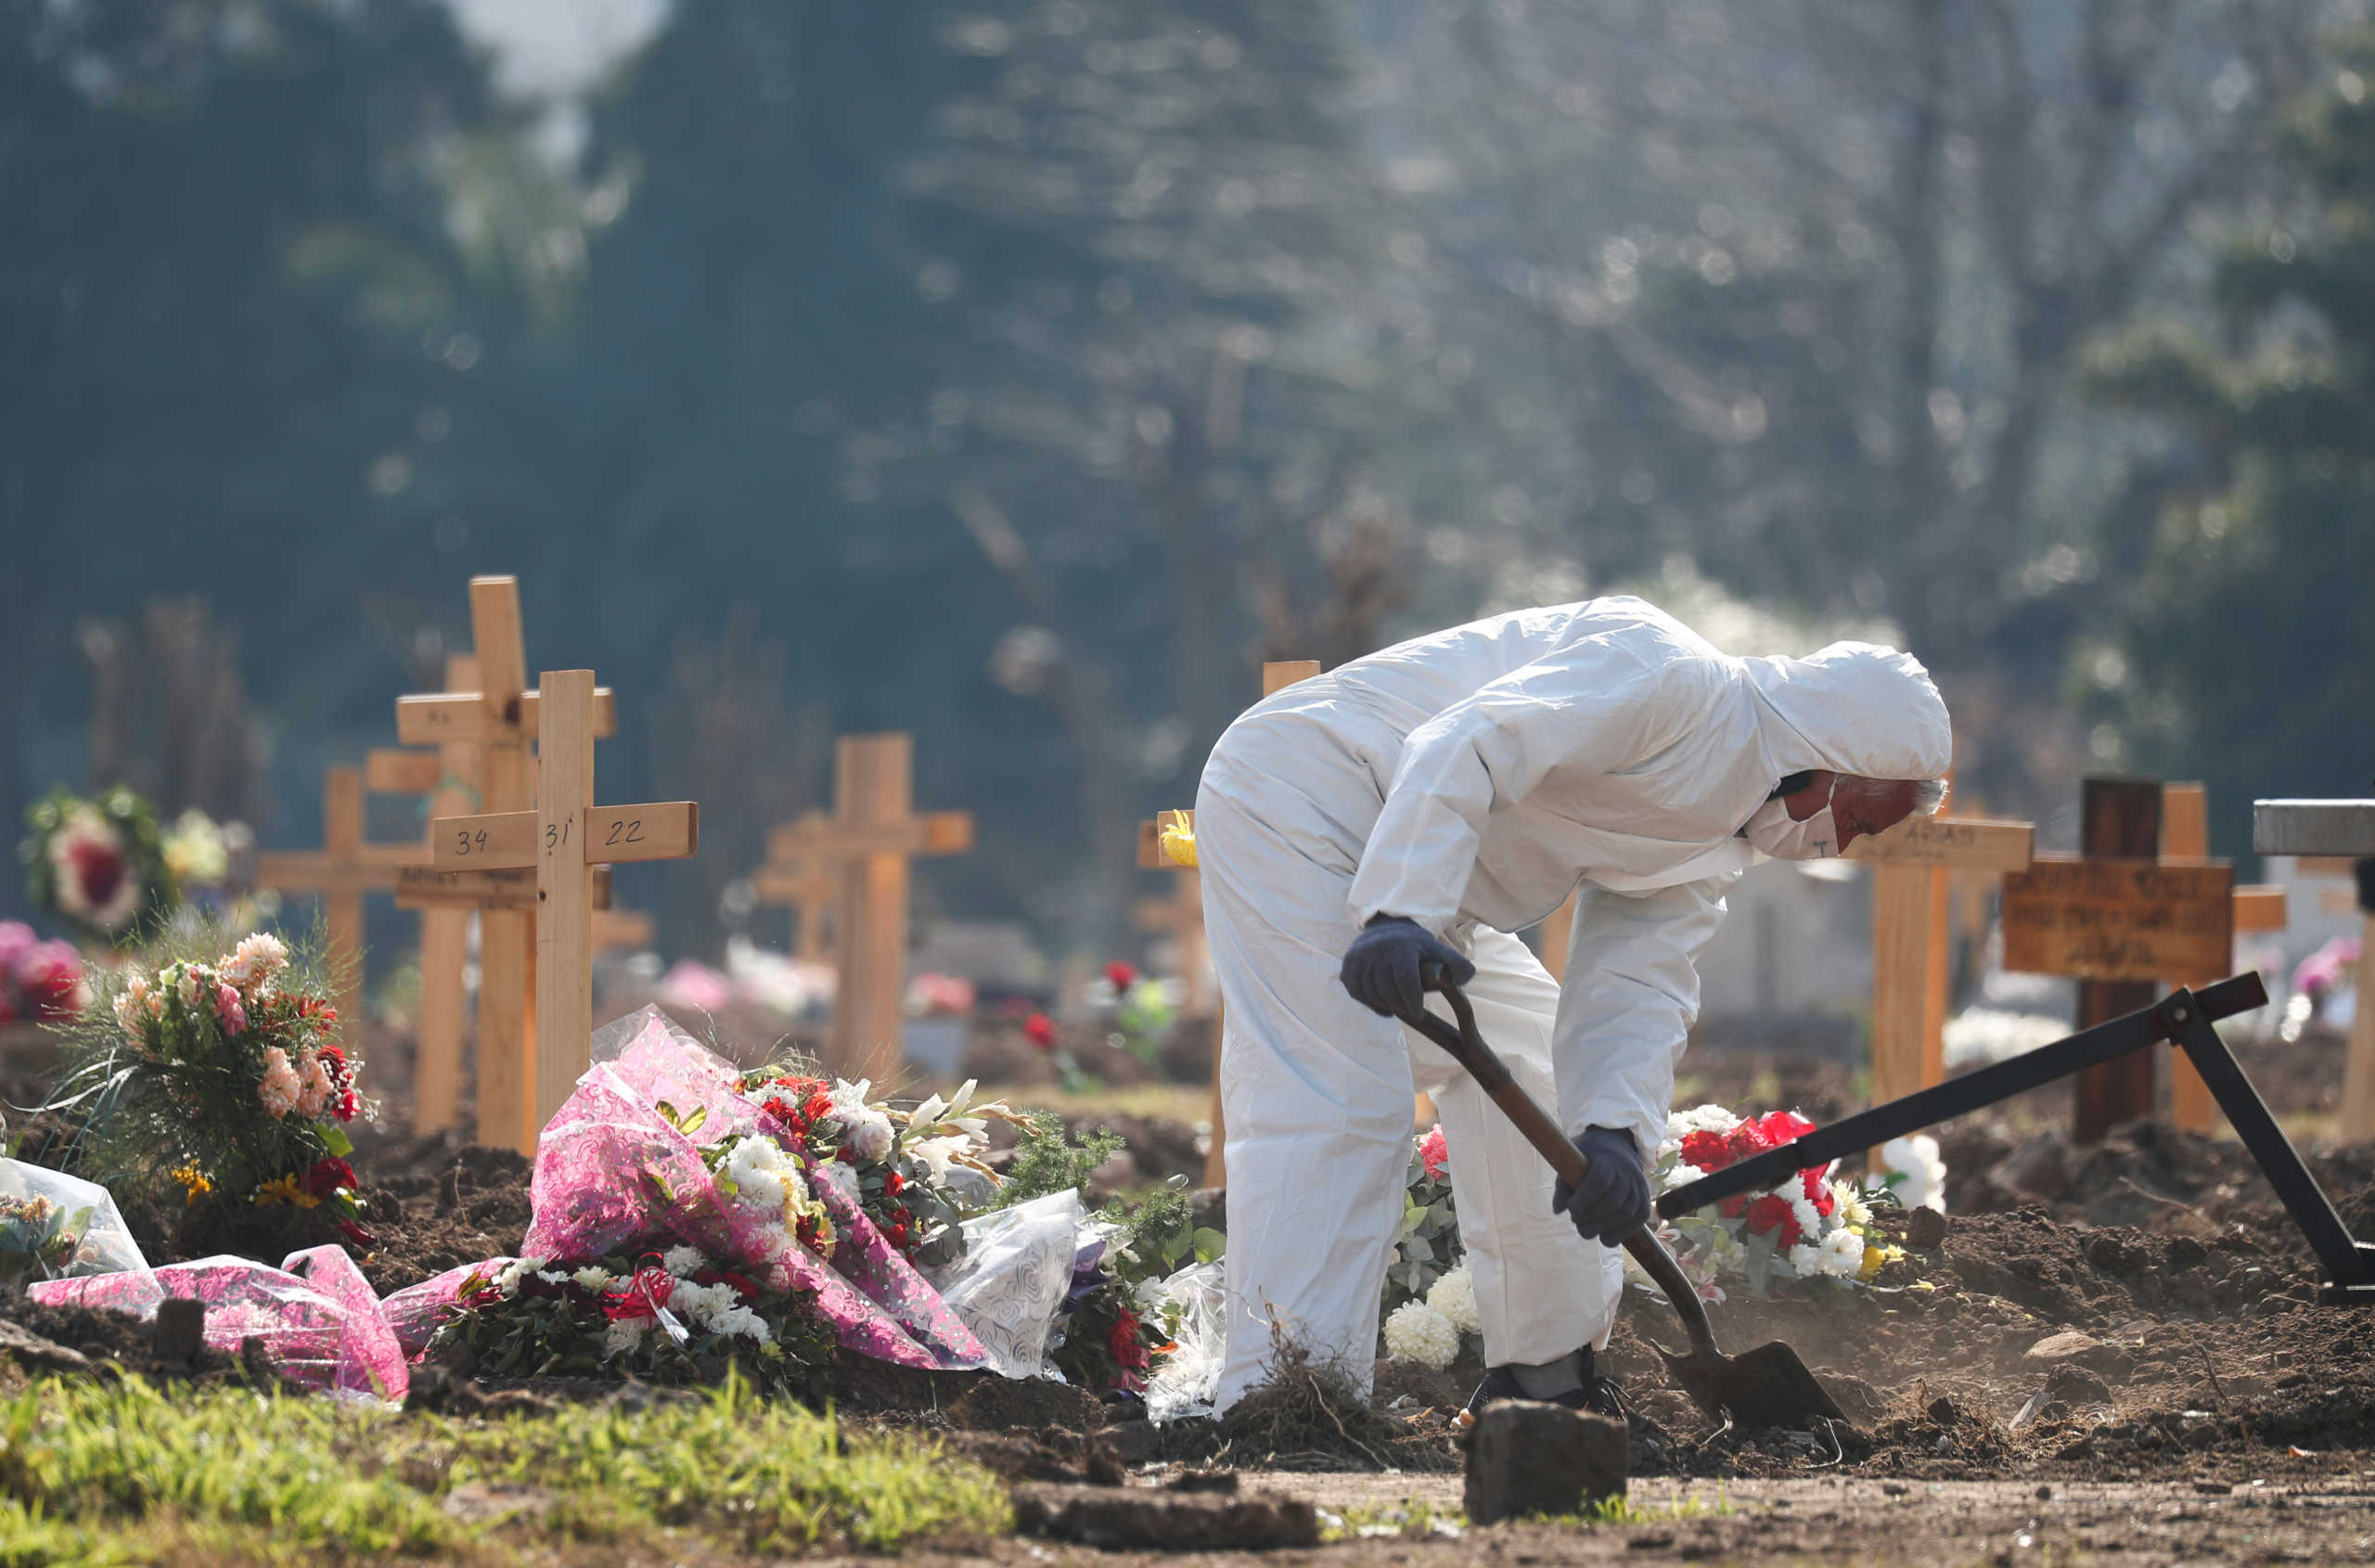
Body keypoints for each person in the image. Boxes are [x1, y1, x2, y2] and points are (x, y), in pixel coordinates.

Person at [1195, 596, 1950, 1415]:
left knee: (1539, 1077)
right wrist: (1400, 912)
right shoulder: (1666, 678)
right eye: (1858, 820)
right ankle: (1287, 1395)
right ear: (1826, 761)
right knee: (1343, 1102)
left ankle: (1543, 1380)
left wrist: (1617, 1136)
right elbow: (1468, 742)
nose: (1840, 846)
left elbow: (1637, 982)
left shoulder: (1723, 839)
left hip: (1418, 881)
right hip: (1303, 800)